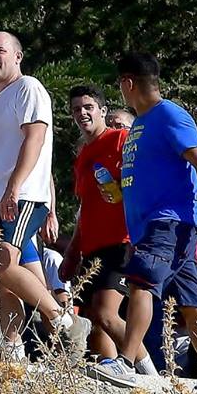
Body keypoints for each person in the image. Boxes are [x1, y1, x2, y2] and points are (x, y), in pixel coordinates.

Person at [111, 52, 197, 380]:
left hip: (170, 221)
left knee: (141, 283)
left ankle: (124, 362)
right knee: (191, 301)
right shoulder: (142, 124)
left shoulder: (168, 115)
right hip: (154, 226)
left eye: (120, 84)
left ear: (128, 83)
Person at [0, 31, 87, 355]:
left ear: (17, 56)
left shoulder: (29, 88)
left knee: (2, 261)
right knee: (3, 279)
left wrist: (15, 187)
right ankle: (12, 352)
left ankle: (64, 321)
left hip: (20, 197)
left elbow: (35, 140)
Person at [64, 84, 132, 369]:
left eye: (88, 107)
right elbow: (85, 210)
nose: (82, 113)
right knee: (93, 317)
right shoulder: (82, 157)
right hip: (92, 245)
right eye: (76, 109)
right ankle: (111, 367)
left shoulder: (121, 139)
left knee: (107, 313)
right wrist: (72, 251)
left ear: (103, 110)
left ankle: (144, 370)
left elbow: (144, 182)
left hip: (122, 239)